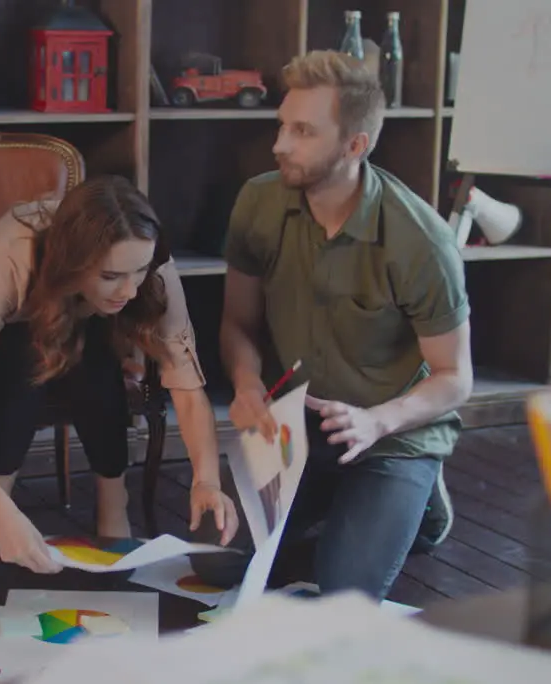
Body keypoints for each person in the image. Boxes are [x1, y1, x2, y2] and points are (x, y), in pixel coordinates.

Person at [193, 50, 472, 601]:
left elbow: (454, 376)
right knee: (213, 561)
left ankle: (421, 500)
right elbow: (238, 322)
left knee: (343, 589)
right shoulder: (257, 201)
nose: (280, 145)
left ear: (354, 146)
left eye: (302, 131)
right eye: (282, 125)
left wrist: (378, 422)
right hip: (293, 424)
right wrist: (247, 386)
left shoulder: (422, 241)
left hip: (390, 435)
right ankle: (333, 496)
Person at [0, 175, 240, 576]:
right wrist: (3, 515)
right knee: (28, 365)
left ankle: (114, 504)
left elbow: (186, 383)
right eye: (111, 276)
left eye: (140, 272)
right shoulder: (14, 256)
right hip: (22, 322)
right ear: (73, 263)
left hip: (97, 329)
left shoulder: (150, 266)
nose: (130, 290)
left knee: (96, 365)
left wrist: (206, 480)